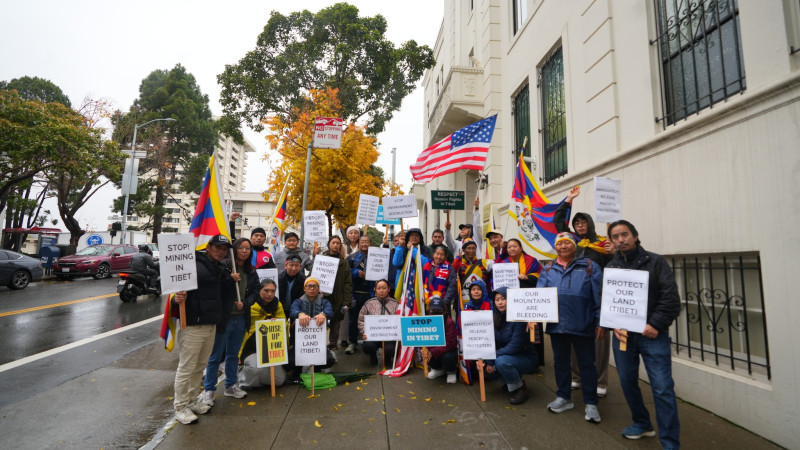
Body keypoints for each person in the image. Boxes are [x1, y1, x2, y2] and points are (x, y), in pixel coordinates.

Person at [606, 220, 681, 448]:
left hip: (652, 336)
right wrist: (613, 324)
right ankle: (642, 424)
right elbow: (606, 300)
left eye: (625, 234)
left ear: (635, 236)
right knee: (627, 382)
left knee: (662, 388)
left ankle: (669, 443)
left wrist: (655, 325)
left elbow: (671, 299)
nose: (621, 239)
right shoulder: (611, 267)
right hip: (623, 336)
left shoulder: (656, 262)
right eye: (616, 236)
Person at [537, 232, 604, 424]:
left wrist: (600, 322)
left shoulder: (590, 266)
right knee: (560, 362)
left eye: (567, 243)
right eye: (559, 244)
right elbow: (539, 297)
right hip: (558, 325)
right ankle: (563, 397)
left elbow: (599, 296)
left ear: (575, 246)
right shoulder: (548, 268)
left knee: (587, 364)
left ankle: (591, 403)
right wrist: (532, 317)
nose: (563, 247)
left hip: (583, 323)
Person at [553, 187, 613, 397]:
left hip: (597, 299)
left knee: (600, 343)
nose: (579, 226)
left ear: (590, 225)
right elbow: (558, 220)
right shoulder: (572, 243)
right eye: (576, 223)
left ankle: (600, 381)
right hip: (577, 301)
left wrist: (611, 252)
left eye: (583, 222)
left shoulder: (602, 244)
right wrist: (568, 199)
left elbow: (613, 270)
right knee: (574, 341)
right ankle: (577, 377)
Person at [170, 234, 235, 425]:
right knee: (187, 367)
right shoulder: (192, 264)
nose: (221, 251)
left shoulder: (220, 268)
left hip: (211, 323)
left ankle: (191, 400)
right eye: (218, 247)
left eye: (224, 249)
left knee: (199, 366)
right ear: (208, 247)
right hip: (192, 323)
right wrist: (176, 298)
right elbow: (173, 285)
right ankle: (180, 407)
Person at [201, 237, 258, 404]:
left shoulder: (251, 271)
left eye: (248, 248)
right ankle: (209, 389)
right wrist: (229, 279)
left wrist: (245, 303)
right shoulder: (224, 268)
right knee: (215, 356)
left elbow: (255, 291)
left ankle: (231, 386)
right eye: (242, 248)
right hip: (224, 318)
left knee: (233, 355)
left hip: (240, 318)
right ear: (234, 249)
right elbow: (215, 289)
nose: (245, 251)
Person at [485, 287, 539, 405]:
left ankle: (520, 389)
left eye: (503, 299)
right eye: (497, 299)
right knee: (485, 369)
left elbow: (515, 346)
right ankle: (510, 381)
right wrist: (488, 361)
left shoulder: (519, 318)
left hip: (525, 357)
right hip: (505, 356)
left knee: (501, 362)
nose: (500, 302)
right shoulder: (495, 317)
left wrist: (493, 357)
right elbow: (492, 341)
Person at [499, 238, 545, 365]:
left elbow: (541, 276)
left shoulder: (531, 260)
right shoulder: (504, 262)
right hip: (512, 301)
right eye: (509, 247)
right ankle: (516, 356)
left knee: (532, 329)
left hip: (529, 300)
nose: (512, 249)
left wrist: (527, 277)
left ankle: (535, 360)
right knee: (515, 331)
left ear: (520, 247)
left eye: (514, 246)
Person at [237, 280, 288, 389]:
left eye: (273, 291)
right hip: (251, 348)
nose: (269, 294)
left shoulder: (277, 304)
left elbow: (284, 325)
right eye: (266, 290)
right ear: (259, 291)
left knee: (279, 380)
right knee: (255, 368)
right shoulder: (250, 304)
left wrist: (277, 323)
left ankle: (255, 376)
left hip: (270, 349)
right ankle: (243, 379)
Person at [288, 278, 336, 371]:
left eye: (315, 286)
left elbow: (329, 311)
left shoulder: (324, 302)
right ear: (304, 288)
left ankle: (316, 368)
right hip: (300, 343)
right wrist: (300, 314)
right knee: (290, 362)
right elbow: (293, 310)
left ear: (318, 289)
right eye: (309, 286)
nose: (312, 289)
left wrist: (323, 314)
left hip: (317, 343)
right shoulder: (298, 301)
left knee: (329, 360)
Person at [357, 279, 399, 366]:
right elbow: (361, 320)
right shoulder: (369, 303)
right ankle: (373, 356)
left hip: (389, 337)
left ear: (389, 289)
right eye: (379, 288)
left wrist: (397, 333)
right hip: (373, 336)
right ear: (375, 289)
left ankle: (387, 358)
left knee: (391, 349)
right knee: (368, 347)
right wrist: (365, 332)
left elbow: (400, 320)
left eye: (384, 288)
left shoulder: (395, 304)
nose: (381, 290)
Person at [322, 235, 352, 355]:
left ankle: (333, 347)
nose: (335, 245)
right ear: (329, 244)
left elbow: (348, 283)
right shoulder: (320, 259)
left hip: (337, 298)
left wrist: (346, 302)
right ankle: (319, 347)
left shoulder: (344, 263)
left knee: (335, 325)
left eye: (338, 243)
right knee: (320, 322)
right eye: (333, 243)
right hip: (322, 298)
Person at [346, 235, 375, 354]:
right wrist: (355, 272)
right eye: (362, 242)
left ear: (370, 243)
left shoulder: (375, 257)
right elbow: (346, 272)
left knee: (370, 319)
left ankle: (370, 342)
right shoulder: (352, 258)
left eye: (367, 242)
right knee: (353, 319)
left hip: (370, 293)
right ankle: (352, 342)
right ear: (359, 243)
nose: (364, 244)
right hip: (355, 293)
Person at [424, 296, 458, 384]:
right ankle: (437, 369)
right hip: (434, 350)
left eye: (438, 311)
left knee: (448, 357)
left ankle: (451, 371)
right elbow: (424, 339)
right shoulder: (427, 322)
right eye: (433, 311)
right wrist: (425, 349)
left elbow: (450, 344)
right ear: (429, 311)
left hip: (448, 350)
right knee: (425, 352)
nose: (436, 314)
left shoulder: (449, 322)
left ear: (444, 311)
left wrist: (433, 351)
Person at [452, 238, 492, 307]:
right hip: (463, 303)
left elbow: (498, 266)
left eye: (473, 248)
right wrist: (457, 259)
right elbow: (451, 273)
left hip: (482, 303)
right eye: (469, 248)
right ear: (463, 250)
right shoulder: (459, 264)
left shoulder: (483, 263)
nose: (471, 251)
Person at [422, 245, 458, 312]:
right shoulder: (426, 266)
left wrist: (445, 301)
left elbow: (452, 286)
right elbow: (420, 282)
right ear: (433, 254)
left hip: (443, 304)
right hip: (426, 301)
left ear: (445, 257)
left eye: (442, 255)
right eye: (437, 254)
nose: (439, 257)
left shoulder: (449, 268)